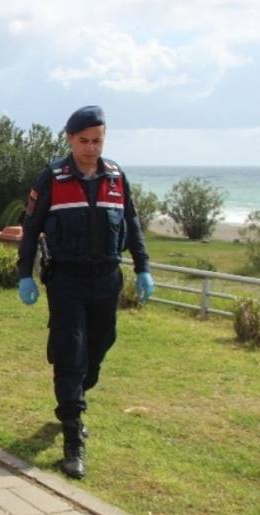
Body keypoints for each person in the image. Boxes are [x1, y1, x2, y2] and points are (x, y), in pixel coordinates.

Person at [16, 105, 155, 480]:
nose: (91, 148)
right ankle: (73, 435)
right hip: (66, 279)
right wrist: (24, 274)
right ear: (69, 139)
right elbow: (31, 228)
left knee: (101, 343)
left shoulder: (115, 176)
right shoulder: (52, 178)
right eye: (83, 141)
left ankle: (75, 392)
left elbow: (132, 224)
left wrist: (142, 267)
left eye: (97, 140)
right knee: (71, 351)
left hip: (107, 277)